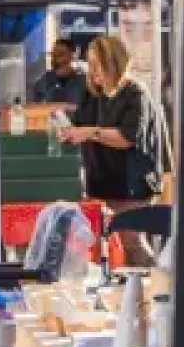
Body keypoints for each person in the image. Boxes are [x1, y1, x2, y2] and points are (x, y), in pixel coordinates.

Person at [60, 35, 160, 261]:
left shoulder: (136, 94)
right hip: (101, 182)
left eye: (98, 64)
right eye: (90, 63)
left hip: (131, 184)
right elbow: (79, 125)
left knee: (131, 241)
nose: (92, 70)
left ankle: (155, 286)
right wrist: (65, 129)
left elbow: (127, 137)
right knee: (99, 244)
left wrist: (90, 132)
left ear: (115, 63)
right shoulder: (91, 94)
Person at [31, 37, 88, 110]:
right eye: (57, 52)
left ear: (72, 55)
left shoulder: (83, 80)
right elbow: (34, 108)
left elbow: (88, 109)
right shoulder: (44, 80)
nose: (58, 56)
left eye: (62, 52)